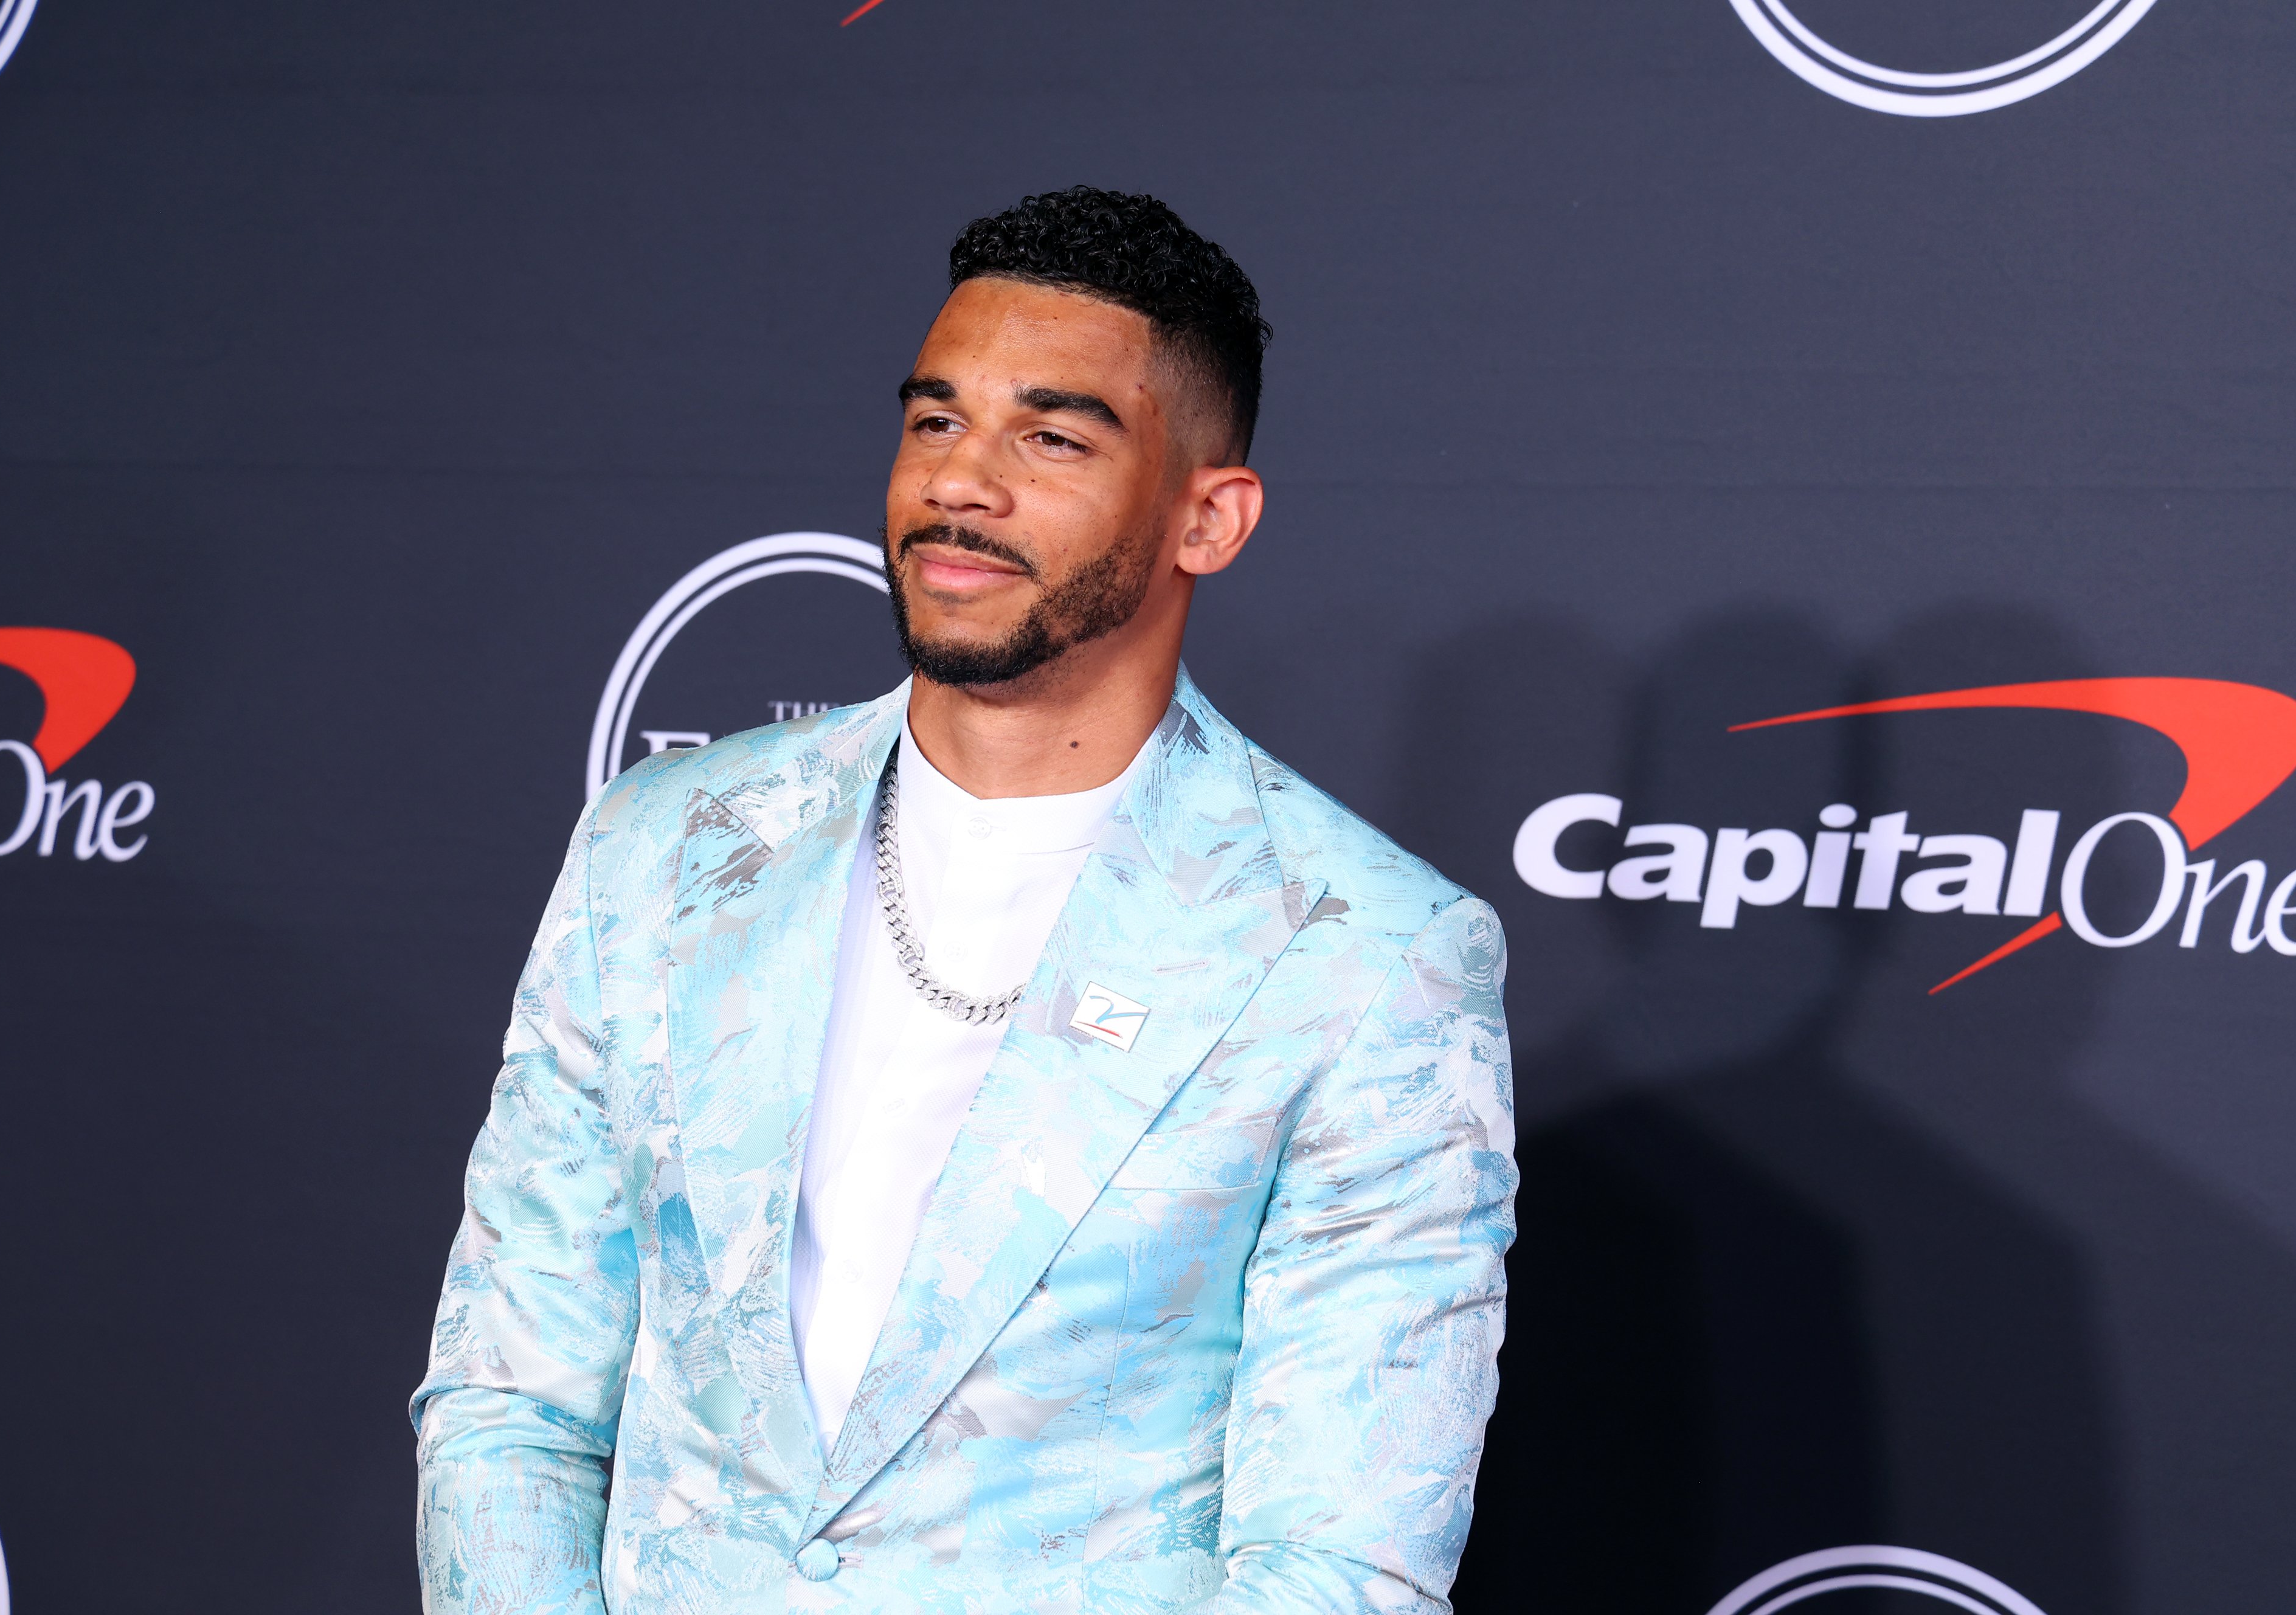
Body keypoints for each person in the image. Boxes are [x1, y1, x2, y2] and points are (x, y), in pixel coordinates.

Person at [411, 185, 1516, 1614]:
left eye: (1049, 437)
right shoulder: (660, 847)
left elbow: (1335, 1564)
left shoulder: (1367, 956)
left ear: (1210, 518)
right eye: (937, 420)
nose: (960, 483)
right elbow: (512, 1392)